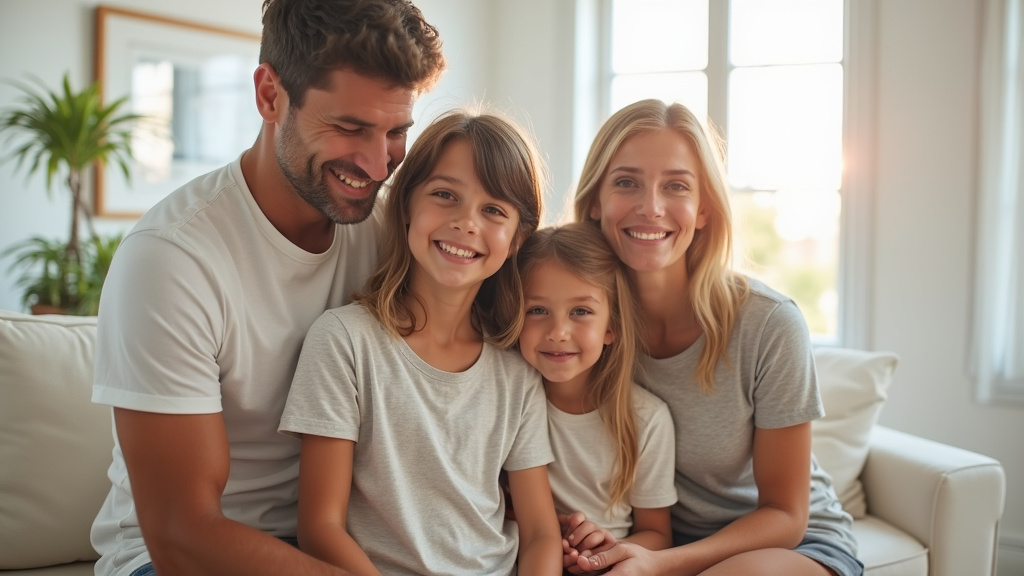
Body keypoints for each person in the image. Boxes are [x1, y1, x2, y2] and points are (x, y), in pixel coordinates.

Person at [89, 1, 446, 574]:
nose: (380, 165)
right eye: (350, 128)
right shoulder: (172, 260)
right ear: (269, 95)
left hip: (340, 543)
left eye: (397, 131)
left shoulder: (390, 236)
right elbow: (183, 536)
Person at [569, 99, 863, 576]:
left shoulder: (769, 324)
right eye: (626, 182)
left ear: (703, 209)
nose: (651, 207)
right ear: (596, 200)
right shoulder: (576, 323)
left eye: (676, 186)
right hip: (655, 538)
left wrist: (660, 564)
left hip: (787, 544)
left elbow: (786, 515)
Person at [278, 108, 562, 576]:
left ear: (516, 239)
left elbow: (541, 534)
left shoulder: (518, 371)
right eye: (445, 195)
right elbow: (320, 527)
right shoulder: (345, 342)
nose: (466, 222)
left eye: (493, 210)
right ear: (407, 204)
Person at [513, 222, 678, 573]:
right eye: (537, 310)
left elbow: (657, 534)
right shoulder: (508, 399)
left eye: (581, 312)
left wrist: (608, 548)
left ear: (611, 327)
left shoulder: (646, 419)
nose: (558, 332)